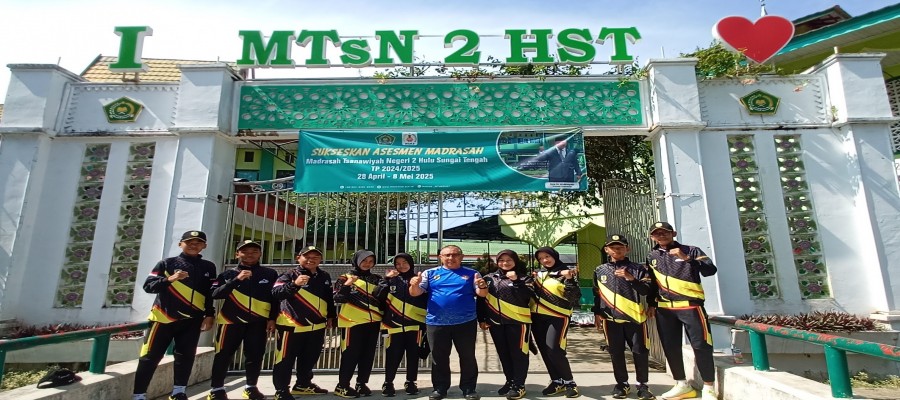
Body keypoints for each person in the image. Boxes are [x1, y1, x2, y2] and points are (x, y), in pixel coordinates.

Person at [132, 230, 217, 400]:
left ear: (204, 246)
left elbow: (209, 293)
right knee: (150, 357)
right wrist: (170, 279)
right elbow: (148, 286)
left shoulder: (208, 267)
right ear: (180, 244)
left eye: (198, 243)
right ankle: (139, 395)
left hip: (192, 320)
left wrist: (210, 314)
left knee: (185, 356)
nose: (194, 245)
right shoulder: (167, 263)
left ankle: (178, 392)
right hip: (164, 318)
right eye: (189, 242)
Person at [647, 222, 718, 400]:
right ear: (652, 237)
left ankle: (709, 388)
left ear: (674, 233)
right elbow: (653, 283)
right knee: (670, 347)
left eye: (665, 232)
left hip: (691, 306)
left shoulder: (691, 250)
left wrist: (686, 258)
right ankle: (682, 384)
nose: (661, 235)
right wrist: (651, 304)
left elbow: (710, 270)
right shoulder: (652, 256)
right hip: (665, 309)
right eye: (657, 233)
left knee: (701, 345)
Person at [410, 245, 488, 400]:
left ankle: (469, 388)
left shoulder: (472, 273)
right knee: (439, 357)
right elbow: (415, 293)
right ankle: (440, 388)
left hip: (465, 322)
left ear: (461, 257)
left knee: (467, 356)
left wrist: (482, 286)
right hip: (436, 322)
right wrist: (414, 284)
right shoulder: (430, 273)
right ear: (440, 257)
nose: (451, 258)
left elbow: (481, 294)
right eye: (447, 255)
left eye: (454, 255)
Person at [206, 240, 279, 400]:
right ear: (237, 254)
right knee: (223, 355)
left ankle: (251, 387)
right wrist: (236, 280)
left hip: (258, 323)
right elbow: (214, 294)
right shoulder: (227, 274)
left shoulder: (270, 274)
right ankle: (217, 389)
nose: (250, 254)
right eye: (245, 251)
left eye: (254, 251)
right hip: (230, 322)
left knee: (255, 355)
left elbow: (275, 299)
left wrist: (272, 318)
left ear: (260, 254)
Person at [591, 234, 655, 400]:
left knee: (640, 351)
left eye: (620, 247)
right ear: (606, 250)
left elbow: (646, 290)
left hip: (635, 319)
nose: (616, 250)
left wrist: (631, 278)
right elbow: (596, 293)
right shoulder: (599, 270)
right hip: (611, 319)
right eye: (612, 247)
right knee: (616, 352)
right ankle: (622, 384)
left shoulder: (638, 268)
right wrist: (596, 313)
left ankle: (642, 385)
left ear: (628, 249)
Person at [271, 246, 336, 400]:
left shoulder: (324, 276)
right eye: (307, 257)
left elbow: (328, 298)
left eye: (315, 257)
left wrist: (331, 316)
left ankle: (303, 384)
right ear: (298, 258)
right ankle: (281, 390)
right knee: (285, 359)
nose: (311, 260)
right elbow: (276, 293)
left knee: (310, 357)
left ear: (321, 259)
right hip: (291, 326)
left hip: (316, 325)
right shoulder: (289, 275)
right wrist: (295, 284)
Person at [477, 250, 536, 400]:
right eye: (501, 260)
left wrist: (516, 281)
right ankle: (510, 381)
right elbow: (482, 299)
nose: (505, 263)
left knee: (519, 354)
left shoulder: (525, 278)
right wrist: (481, 318)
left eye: (509, 260)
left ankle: (519, 385)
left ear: (515, 261)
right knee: (503, 354)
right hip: (496, 322)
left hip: (518, 322)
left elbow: (527, 296)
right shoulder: (489, 278)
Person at [531, 246, 581, 398]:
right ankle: (557, 381)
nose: (544, 260)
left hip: (558, 316)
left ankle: (570, 382)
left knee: (554, 349)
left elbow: (574, 297)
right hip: (537, 317)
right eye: (541, 258)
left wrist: (570, 279)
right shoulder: (538, 274)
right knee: (545, 350)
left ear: (554, 256)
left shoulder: (565, 273)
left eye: (547, 256)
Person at [333, 250, 384, 398]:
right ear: (356, 261)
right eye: (364, 260)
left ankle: (361, 383)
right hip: (352, 323)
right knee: (350, 355)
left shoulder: (376, 279)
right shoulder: (345, 277)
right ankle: (342, 385)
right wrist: (348, 284)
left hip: (373, 322)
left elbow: (382, 299)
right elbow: (338, 298)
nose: (367, 264)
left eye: (371, 261)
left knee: (368, 355)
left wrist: (387, 281)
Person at [377, 253, 427, 397]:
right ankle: (388, 382)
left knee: (413, 355)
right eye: (398, 264)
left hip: (414, 325)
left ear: (411, 263)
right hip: (392, 325)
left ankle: (411, 382)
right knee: (392, 355)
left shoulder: (419, 280)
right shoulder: (391, 280)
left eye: (405, 262)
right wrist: (386, 279)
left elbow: (426, 299)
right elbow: (378, 296)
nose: (401, 266)